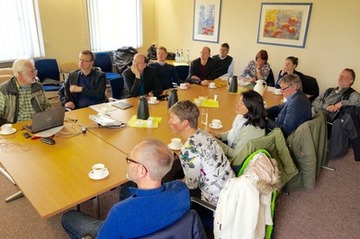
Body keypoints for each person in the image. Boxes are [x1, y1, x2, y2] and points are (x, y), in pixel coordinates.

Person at [61, 139, 191, 239]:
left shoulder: (120, 212)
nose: (128, 163)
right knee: (127, 189)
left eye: (130, 160)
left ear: (141, 170)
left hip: (118, 227)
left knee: (69, 217)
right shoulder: (181, 190)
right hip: (158, 224)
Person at [168, 100, 235, 205]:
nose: (169, 122)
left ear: (185, 123)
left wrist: (180, 181)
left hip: (217, 201)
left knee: (172, 184)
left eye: (172, 118)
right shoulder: (204, 134)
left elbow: (192, 185)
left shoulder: (188, 150)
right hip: (231, 188)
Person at [312, 68, 360, 161]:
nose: (340, 77)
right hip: (315, 113)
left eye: (344, 76)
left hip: (326, 120)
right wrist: (327, 106)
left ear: (351, 81)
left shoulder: (352, 94)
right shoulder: (329, 90)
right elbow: (315, 101)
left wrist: (342, 103)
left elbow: (358, 102)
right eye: (340, 75)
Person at [210, 90, 267, 159]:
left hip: (236, 159)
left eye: (242, 103)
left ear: (251, 107)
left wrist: (216, 142)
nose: (237, 104)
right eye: (239, 101)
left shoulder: (251, 130)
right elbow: (235, 132)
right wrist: (219, 136)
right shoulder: (243, 117)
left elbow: (235, 155)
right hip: (232, 147)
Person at [0, 58, 51, 125]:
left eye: (35, 70)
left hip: (37, 124)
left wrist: (45, 118)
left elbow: (47, 106)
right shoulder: (5, 89)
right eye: (31, 71)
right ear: (19, 74)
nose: (35, 74)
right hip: (15, 127)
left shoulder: (38, 86)